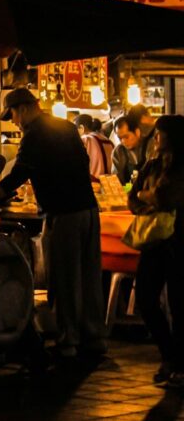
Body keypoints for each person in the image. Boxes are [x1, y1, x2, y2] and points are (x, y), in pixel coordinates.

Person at [0, 88, 106, 359]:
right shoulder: (66, 127)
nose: (15, 122)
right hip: (89, 211)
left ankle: (68, 341)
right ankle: (95, 338)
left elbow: (20, 172)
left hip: (64, 214)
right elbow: (82, 162)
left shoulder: (35, 135)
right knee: (90, 277)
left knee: (65, 279)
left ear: (25, 108)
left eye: (14, 116)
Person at [128, 114, 184, 386]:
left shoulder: (181, 165)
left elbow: (169, 196)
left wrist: (152, 197)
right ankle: (170, 355)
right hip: (153, 241)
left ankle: (178, 365)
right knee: (147, 298)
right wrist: (147, 200)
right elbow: (134, 196)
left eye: (161, 134)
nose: (156, 139)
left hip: (179, 242)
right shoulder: (151, 164)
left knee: (179, 303)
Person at [113, 113, 148, 185]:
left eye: (126, 137)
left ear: (137, 132)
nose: (123, 141)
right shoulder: (119, 152)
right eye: (120, 138)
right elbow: (117, 179)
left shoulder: (149, 147)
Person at [75, 115, 113, 179]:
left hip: (94, 183)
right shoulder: (107, 140)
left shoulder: (85, 139)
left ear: (81, 127)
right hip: (110, 182)